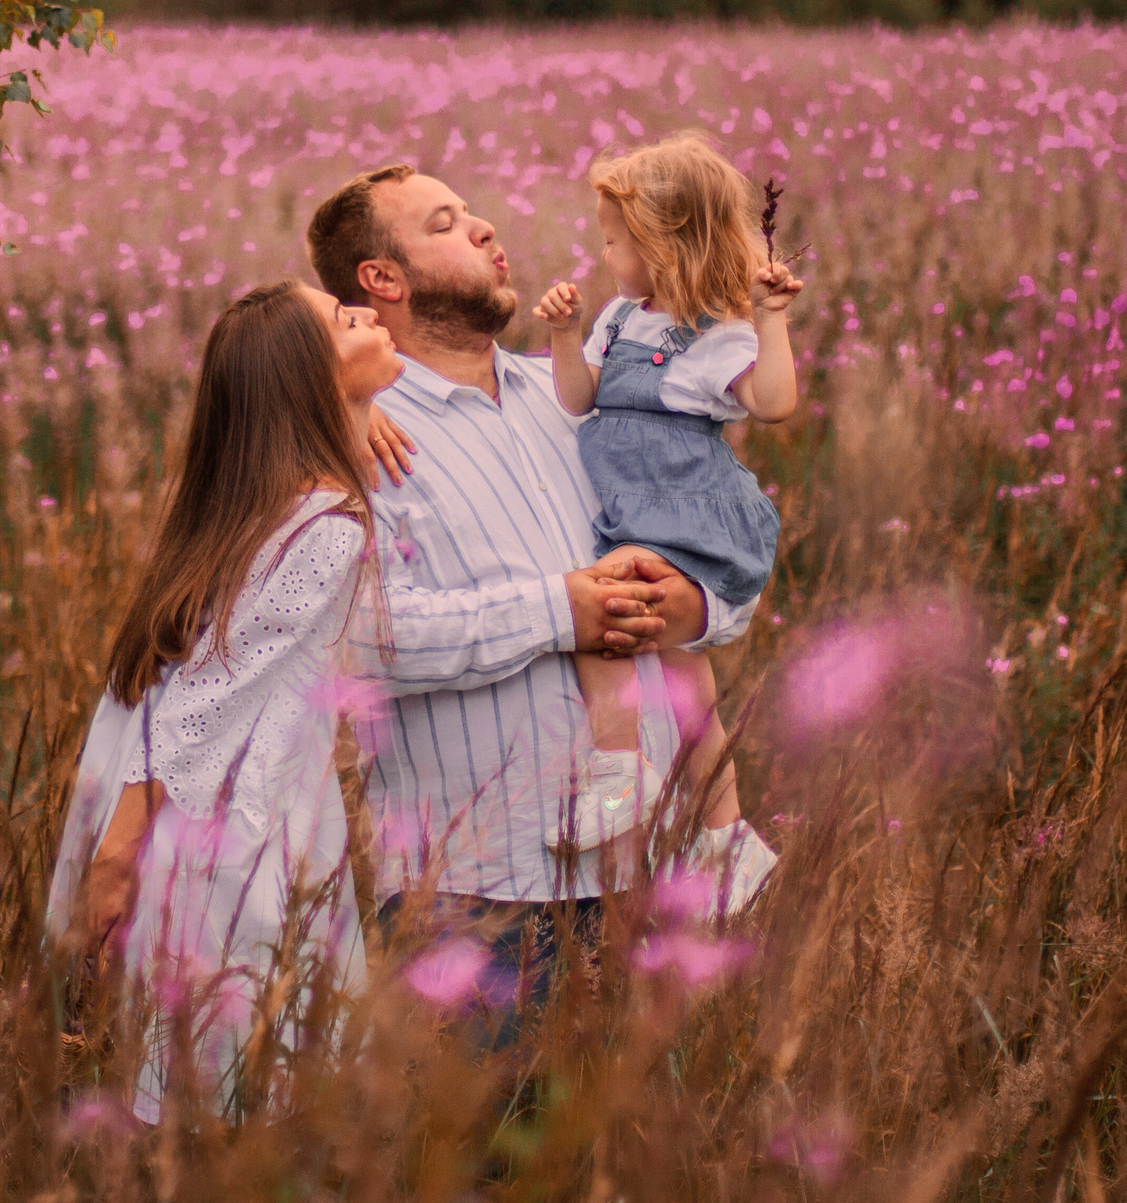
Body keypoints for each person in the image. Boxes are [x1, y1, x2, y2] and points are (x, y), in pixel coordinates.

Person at [303, 164, 752, 1018]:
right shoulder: (353, 434)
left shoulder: (577, 393)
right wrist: (563, 611)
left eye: (474, 211)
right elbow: (360, 641)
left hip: (644, 871)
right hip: (477, 896)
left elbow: (720, 539)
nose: (482, 227)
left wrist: (693, 604)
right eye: (445, 222)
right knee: (486, 1151)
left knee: (631, 1150)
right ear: (382, 279)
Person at [43, 281, 402, 1122]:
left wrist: (361, 410)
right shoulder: (325, 527)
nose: (373, 315)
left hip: (223, 822)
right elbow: (198, 708)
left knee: (196, 1087)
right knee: (235, 1092)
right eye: (348, 321)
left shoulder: (265, 505)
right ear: (310, 382)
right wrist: (115, 860)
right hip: (236, 835)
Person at [530, 136, 797, 894]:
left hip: (692, 525)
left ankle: (616, 769)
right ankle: (727, 839)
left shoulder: (719, 336)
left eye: (614, 239)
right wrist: (561, 334)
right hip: (636, 519)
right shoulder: (617, 318)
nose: (605, 251)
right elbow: (579, 399)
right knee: (692, 701)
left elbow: (774, 404)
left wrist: (770, 322)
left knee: (600, 606)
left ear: (664, 243)